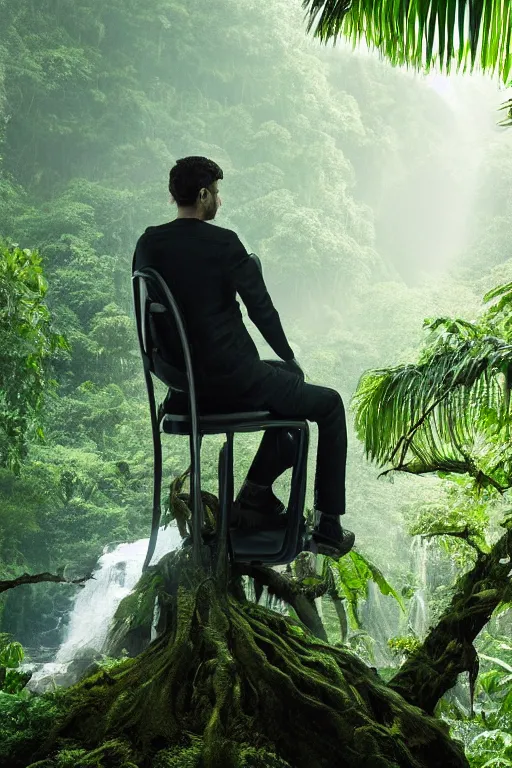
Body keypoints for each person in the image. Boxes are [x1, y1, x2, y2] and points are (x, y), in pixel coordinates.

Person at [132, 156, 355, 559]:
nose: (219, 200)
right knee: (328, 404)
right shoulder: (224, 243)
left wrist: (177, 379)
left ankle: (255, 496)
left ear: (173, 195)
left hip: (186, 388)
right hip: (235, 380)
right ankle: (327, 525)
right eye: (216, 192)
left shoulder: (148, 242)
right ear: (202, 195)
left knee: (285, 379)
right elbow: (261, 310)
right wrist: (290, 354)